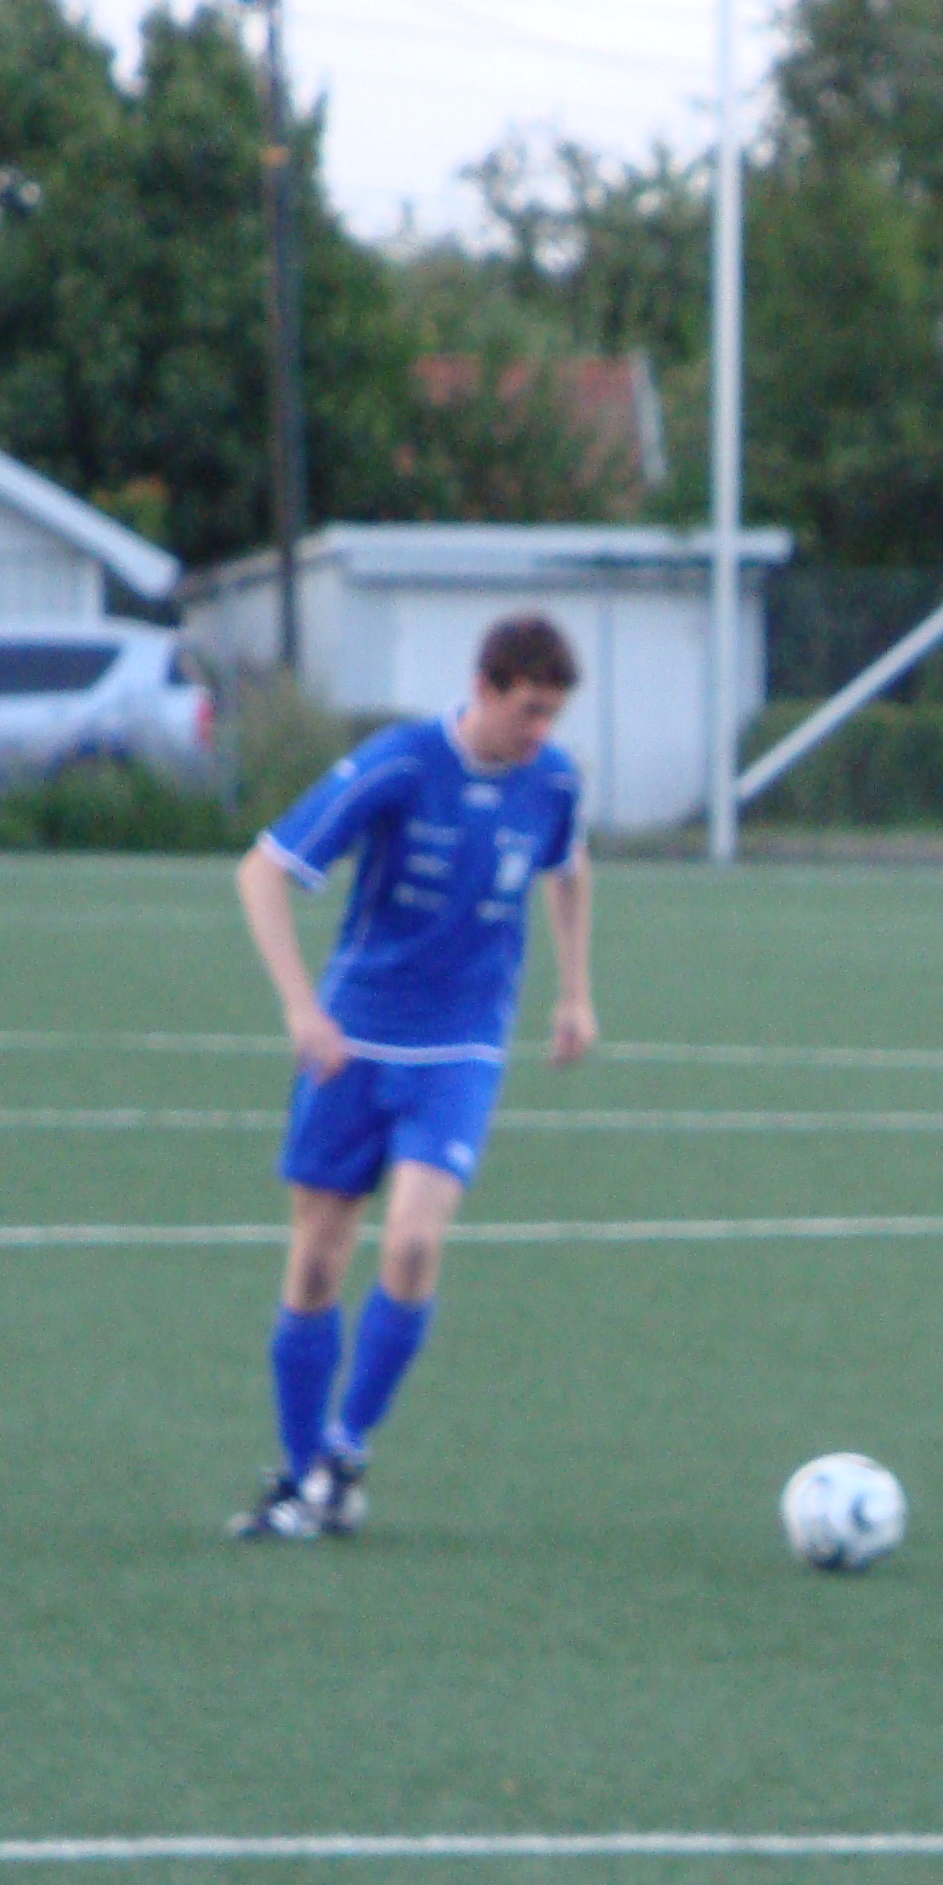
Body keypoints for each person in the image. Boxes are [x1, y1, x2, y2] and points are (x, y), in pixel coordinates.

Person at [225, 611, 596, 1540]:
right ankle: (298, 1477)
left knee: (415, 1244)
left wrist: (574, 992)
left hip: (462, 1044)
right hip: (353, 1041)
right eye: (529, 709)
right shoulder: (400, 764)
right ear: (484, 689)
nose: (541, 731)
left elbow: (568, 867)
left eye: (553, 714)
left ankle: (345, 1451)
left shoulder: (553, 780)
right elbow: (262, 871)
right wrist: (301, 1008)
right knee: (318, 1257)